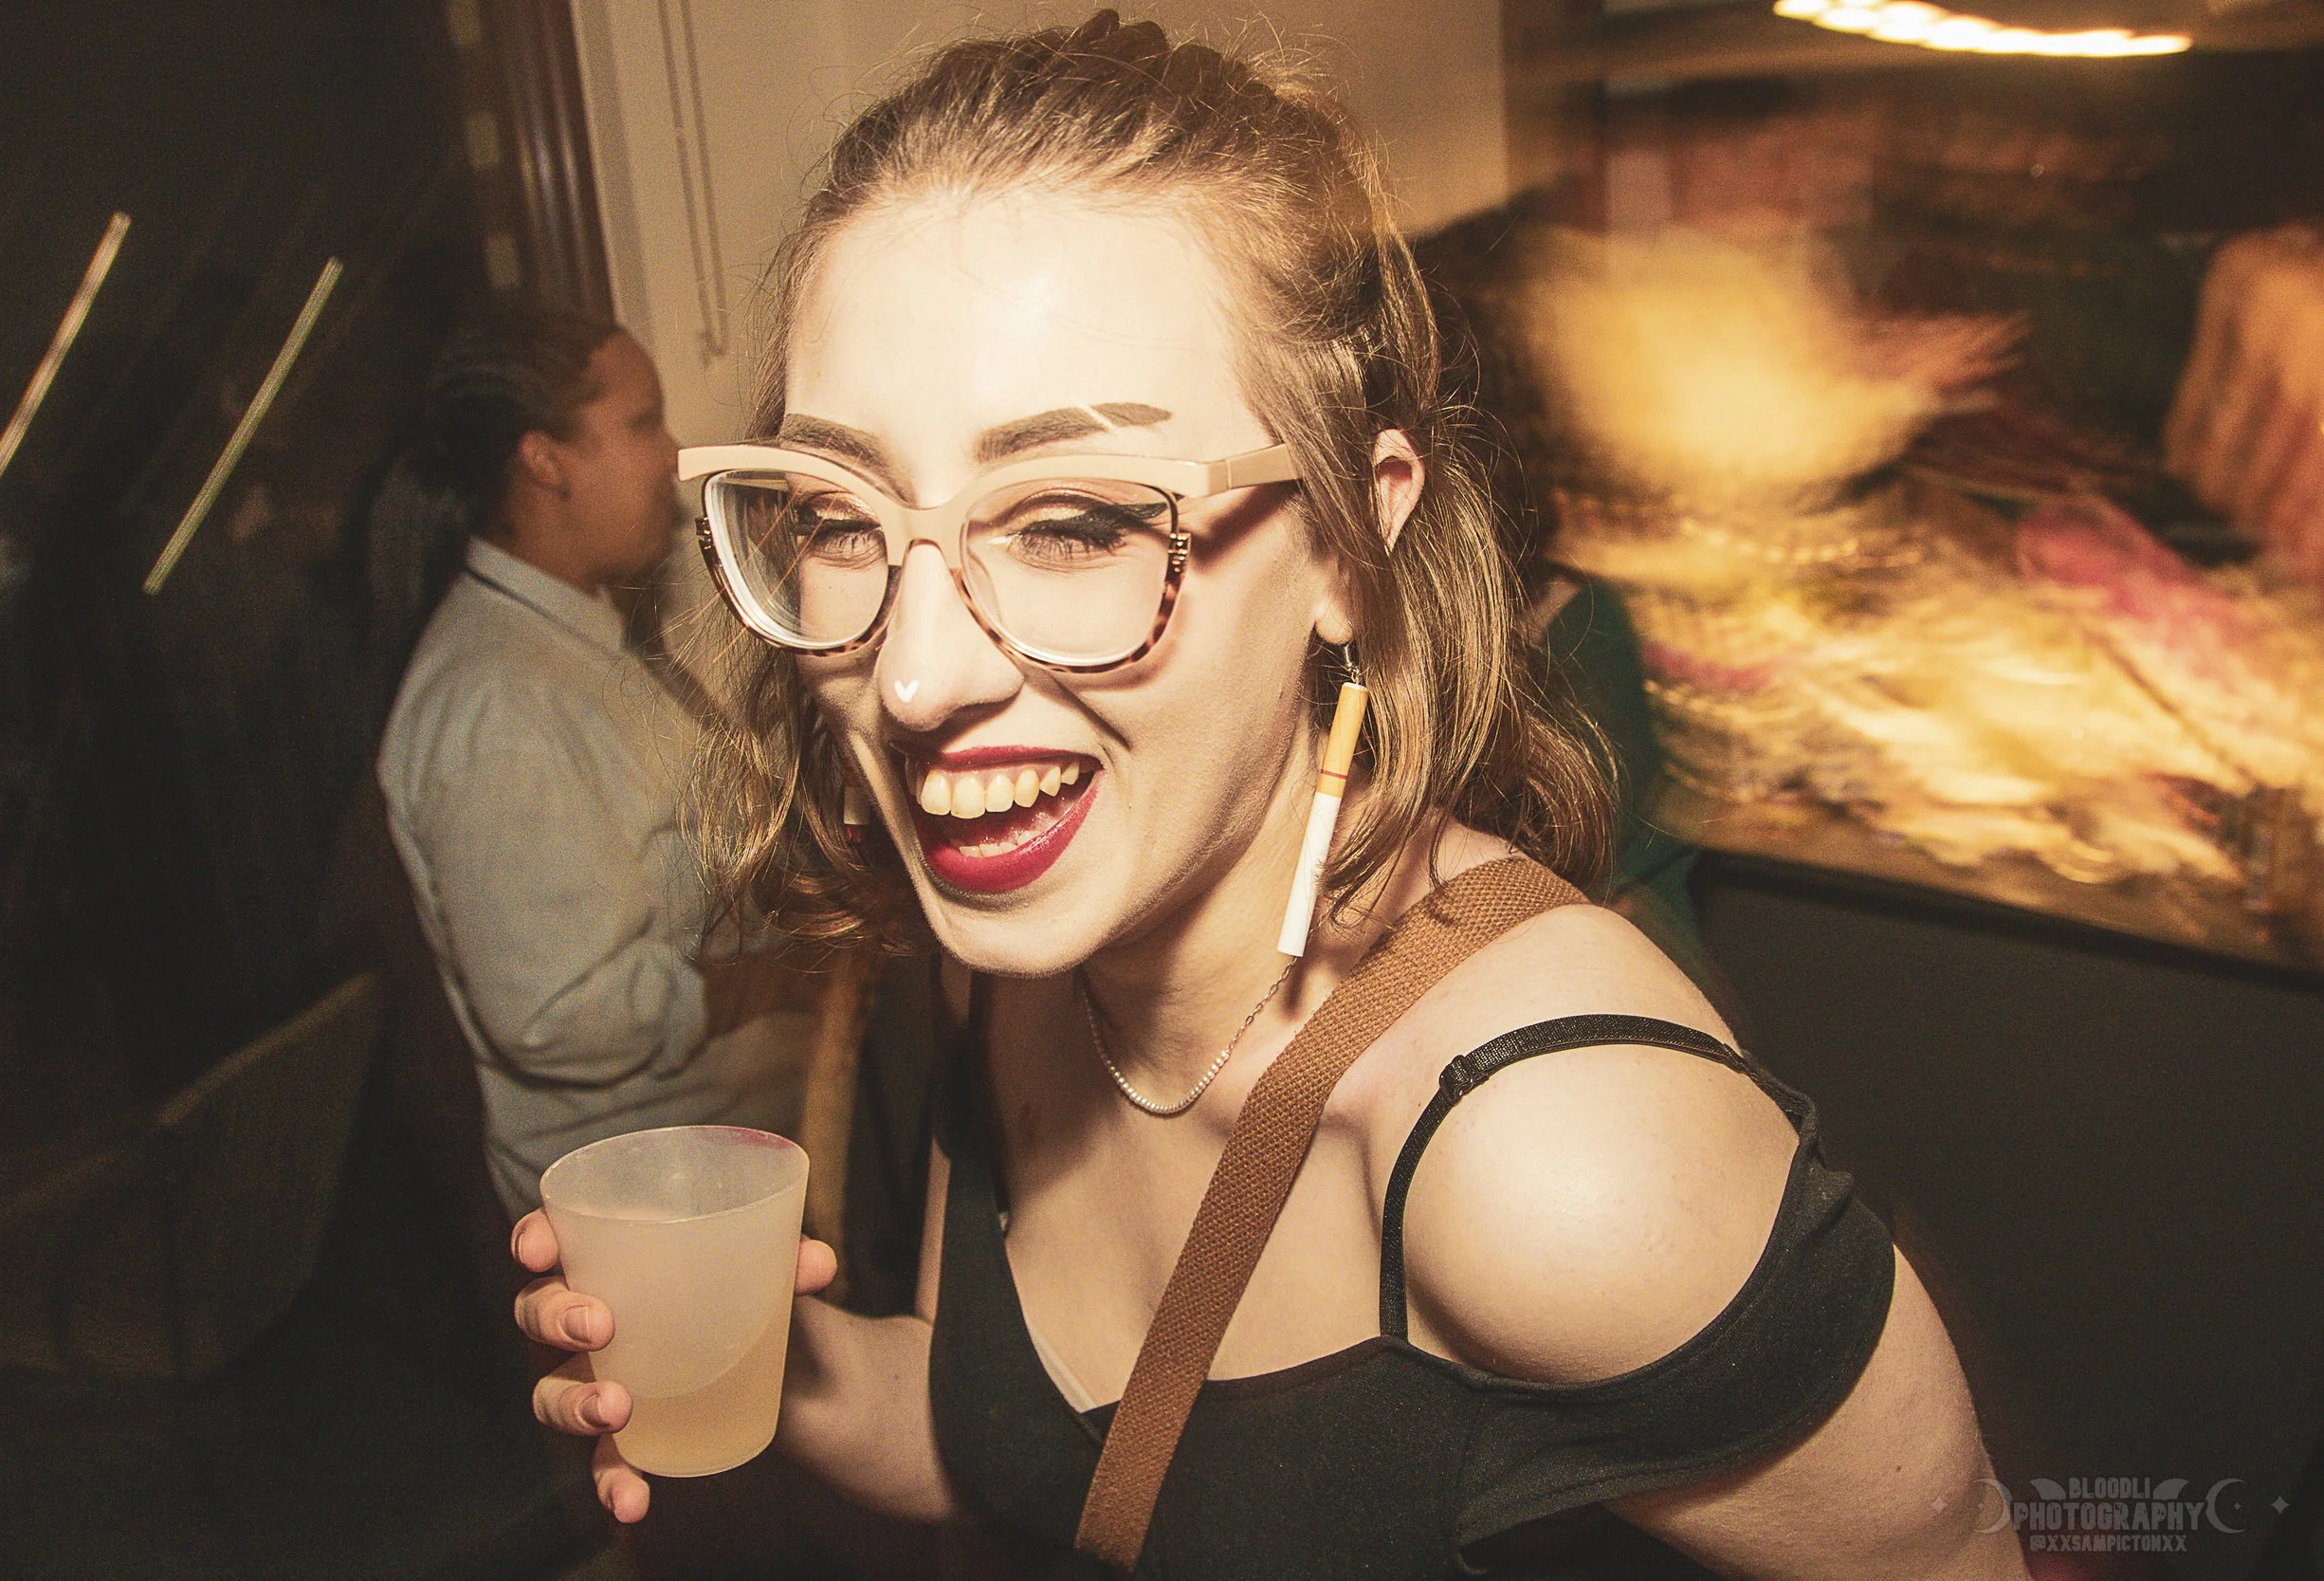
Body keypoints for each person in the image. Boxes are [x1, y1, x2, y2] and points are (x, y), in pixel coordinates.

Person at [511, 16, 2028, 1577]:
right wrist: (780, 1368)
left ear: (1343, 548)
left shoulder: (1557, 1161)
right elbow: (1040, 1448)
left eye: (1081, 520)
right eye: (840, 516)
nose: (910, 679)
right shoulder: (1012, 949)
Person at [378, 307, 810, 1217]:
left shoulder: (579, 641)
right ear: (545, 460)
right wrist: (769, 981)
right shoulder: (498, 703)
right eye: (644, 422)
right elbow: (560, 1011)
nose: (670, 454)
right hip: (657, 1208)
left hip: (733, 1161)